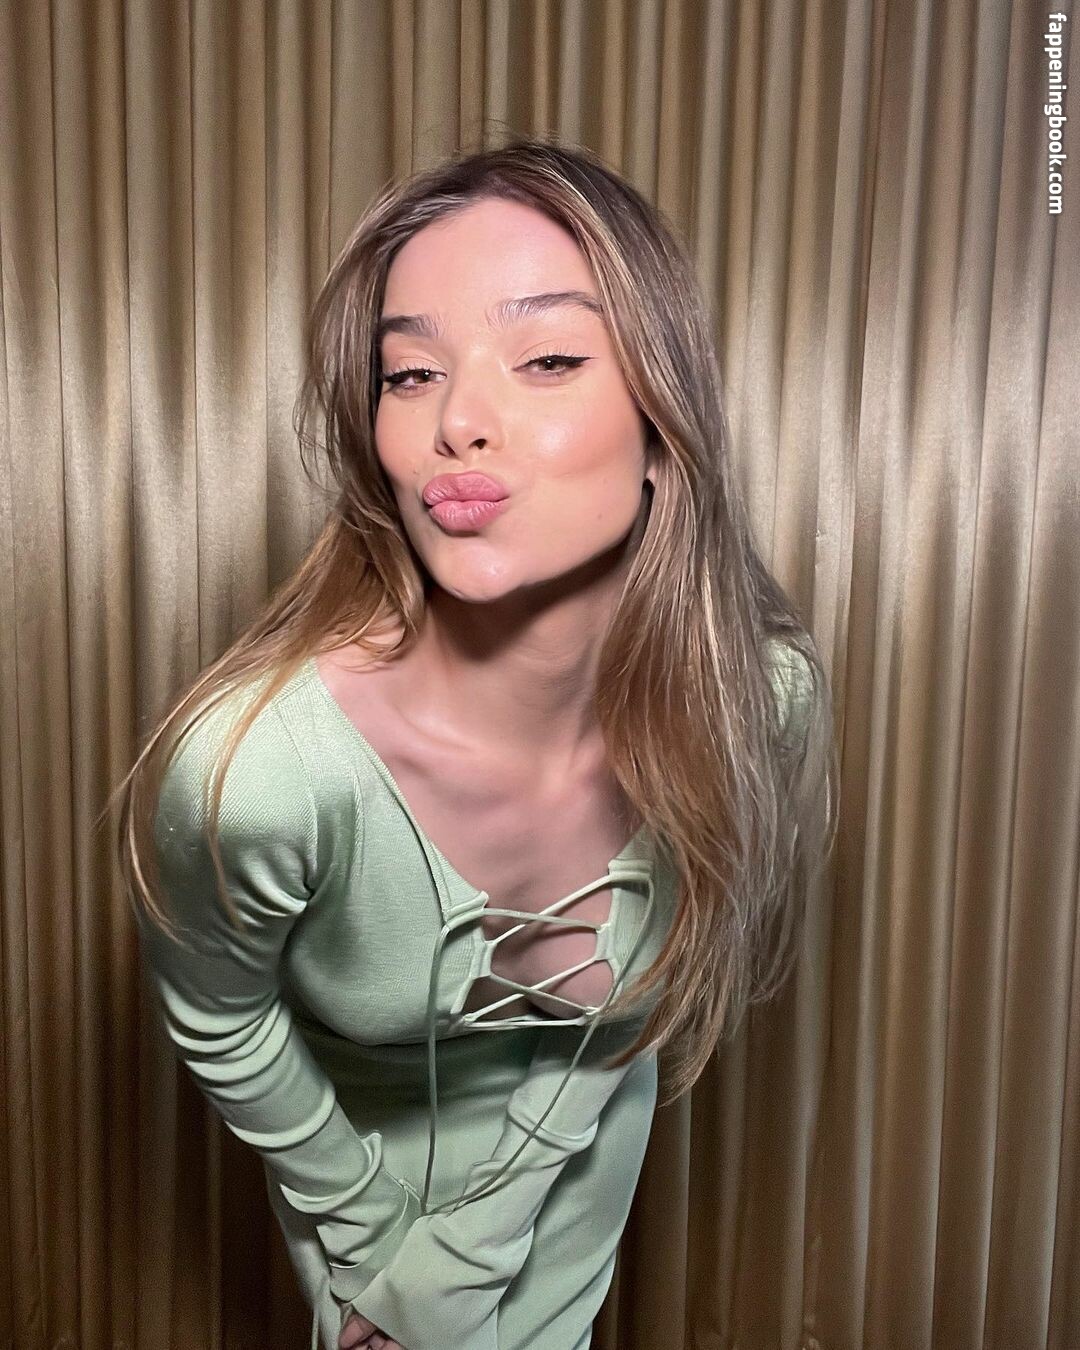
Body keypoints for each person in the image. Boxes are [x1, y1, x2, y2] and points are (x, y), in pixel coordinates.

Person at [114, 135, 836, 1350]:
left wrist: (480, 1249)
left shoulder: (757, 699)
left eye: (548, 358)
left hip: (584, 1140)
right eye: (410, 374)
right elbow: (220, 1017)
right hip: (354, 1171)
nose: (457, 421)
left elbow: (646, 998)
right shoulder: (258, 772)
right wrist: (380, 1256)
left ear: (662, 422)